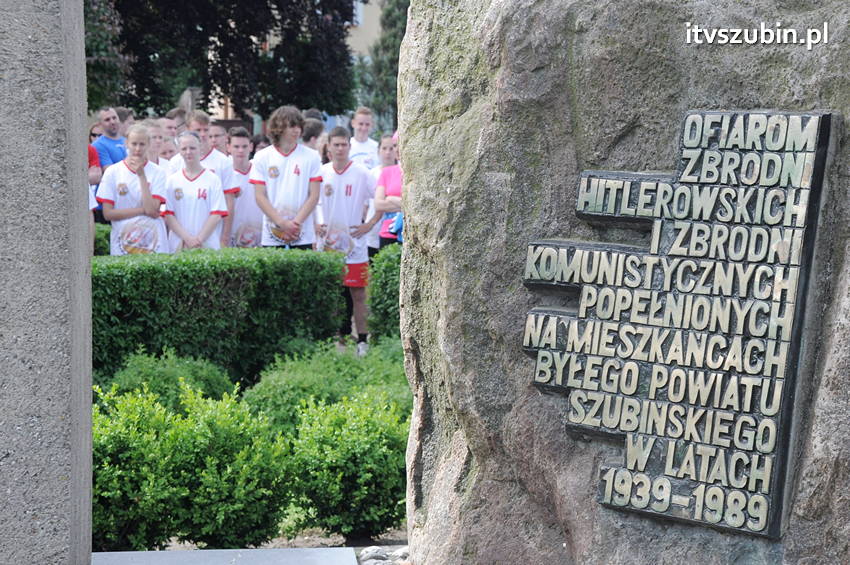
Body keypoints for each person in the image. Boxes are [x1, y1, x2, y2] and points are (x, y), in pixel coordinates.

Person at [317, 127, 376, 355]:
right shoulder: (322, 173)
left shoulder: (362, 173)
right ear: (329, 147)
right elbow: (314, 203)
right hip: (329, 246)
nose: (340, 149)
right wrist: (317, 223)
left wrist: (368, 224)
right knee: (333, 293)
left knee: (358, 293)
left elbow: (376, 200)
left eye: (344, 144)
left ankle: (362, 340)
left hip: (355, 245)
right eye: (336, 144)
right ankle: (336, 340)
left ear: (349, 147)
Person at [249, 105, 321, 250]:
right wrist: (281, 223)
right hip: (272, 234)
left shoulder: (312, 156)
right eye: (292, 126)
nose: (297, 130)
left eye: (299, 126)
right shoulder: (262, 156)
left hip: (302, 233)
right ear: (279, 127)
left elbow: (314, 195)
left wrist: (295, 224)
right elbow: (259, 196)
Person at [95, 124, 169, 255]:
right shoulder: (113, 172)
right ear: (126, 143)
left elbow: (152, 210)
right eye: (134, 144)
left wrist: (141, 176)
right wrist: (141, 210)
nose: (137, 149)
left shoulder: (158, 172)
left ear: (148, 145)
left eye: (142, 144)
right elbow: (108, 213)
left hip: (154, 243)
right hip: (123, 242)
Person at [169, 111, 239, 244]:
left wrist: (225, 235)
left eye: (205, 129)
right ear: (188, 129)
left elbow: (229, 201)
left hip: (212, 235)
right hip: (180, 236)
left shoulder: (223, 161)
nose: (202, 134)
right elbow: (169, 206)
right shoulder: (175, 162)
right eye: (198, 130)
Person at [163, 131, 228, 251]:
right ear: (179, 151)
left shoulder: (213, 179)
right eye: (184, 149)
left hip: (207, 243)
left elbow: (216, 214)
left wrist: (199, 240)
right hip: (179, 244)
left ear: (200, 149)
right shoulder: (172, 181)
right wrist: (187, 239)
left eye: (192, 148)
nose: (188, 152)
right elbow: (168, 215)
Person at [227, 127, 262, 247]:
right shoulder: (224, 172)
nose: (240, 150)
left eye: (244, 146)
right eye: (236, 147)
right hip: (232, 235)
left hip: (259, 235)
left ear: (251, 147)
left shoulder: (260, 169)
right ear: (229, 147)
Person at [365, 133, 398, 257]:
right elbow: (368, 204)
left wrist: (390, 201)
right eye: (384, 148)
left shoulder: (401, 172)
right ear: (378, 150)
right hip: (372, 232)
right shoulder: (371, 174)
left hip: (392, 230)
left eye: (391, 148)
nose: (388, 152)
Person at [374, 131, 403, 247]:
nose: (396, 149)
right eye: (394, 145)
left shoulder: (415, 173)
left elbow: (414, 206)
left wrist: (390, 198)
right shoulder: (387, 172)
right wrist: (403, 205)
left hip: (409, 233)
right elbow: (378, 204)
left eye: (398, 145)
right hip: (388, 233)